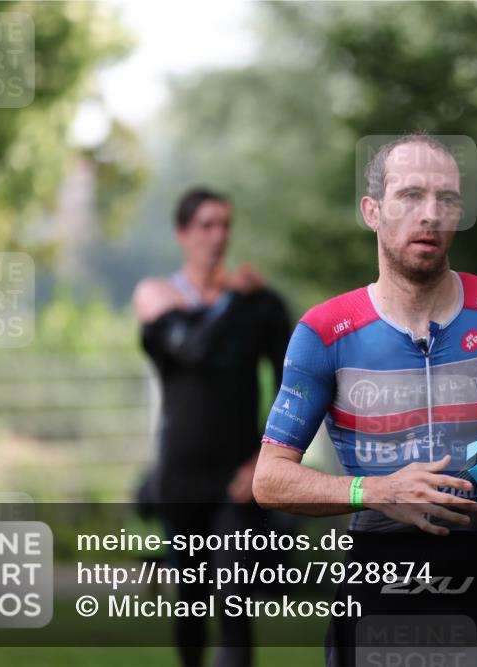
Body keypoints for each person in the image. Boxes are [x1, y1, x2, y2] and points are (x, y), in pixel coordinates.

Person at [253, 133, 477, 666]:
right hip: (380, 579)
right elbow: (269, 479)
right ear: (372, 211)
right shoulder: (325, 332)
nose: (430, 214)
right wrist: (377, 491)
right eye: (410, 195)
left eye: (445, 198)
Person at [133, 187, 291, 667]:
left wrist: (265, 458)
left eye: (225, 224)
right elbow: (194, 349)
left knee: (233, 595)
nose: (218, 235)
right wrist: (232, 299)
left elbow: (291, 388)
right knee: (192, 603)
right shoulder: (158, 296)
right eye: (206, 225)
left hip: (237, 478)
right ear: (183, 233)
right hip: (180, 477)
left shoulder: (261, 306)